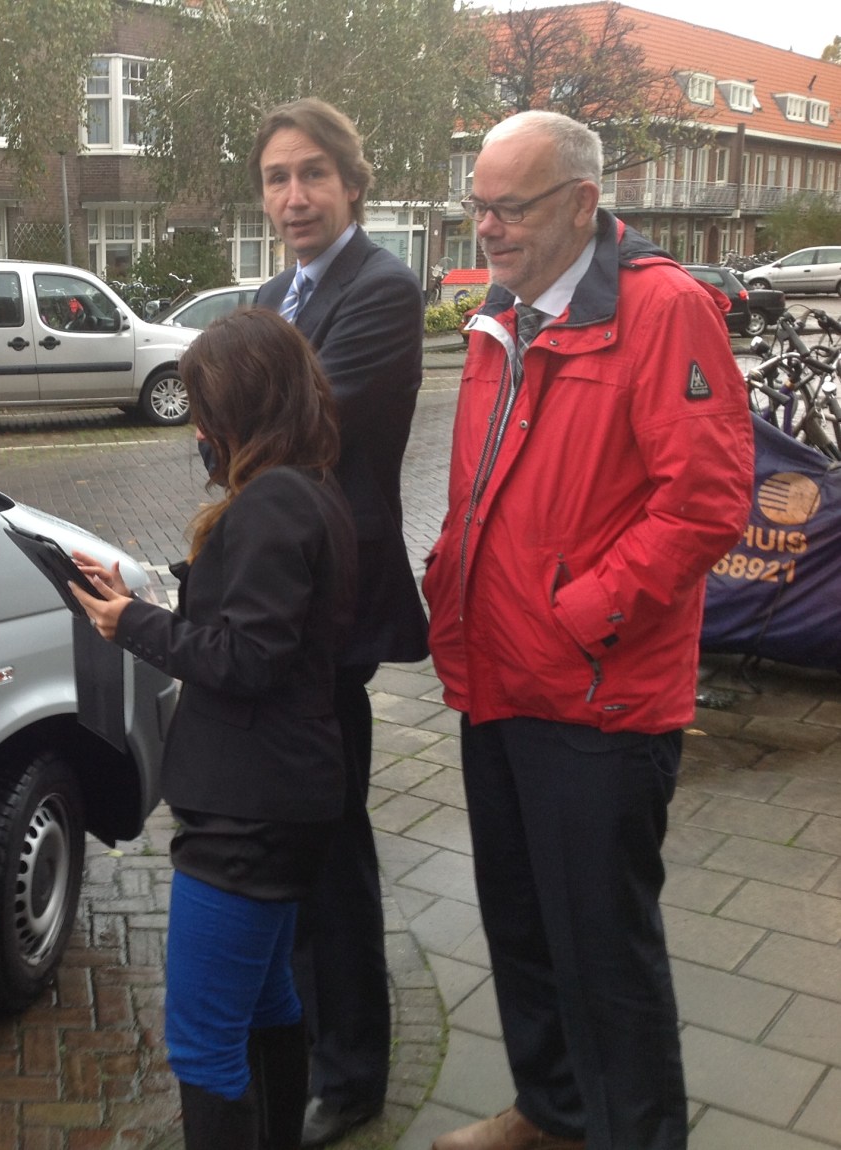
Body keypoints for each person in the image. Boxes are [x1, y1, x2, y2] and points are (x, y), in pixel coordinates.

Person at [422, 110, 753, 1150]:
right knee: (520, 928)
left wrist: (585, 612)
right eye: (477, 204)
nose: (486, 226)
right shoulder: (501, 315)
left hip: (598, 698)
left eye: (508, 206)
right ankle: (552, 1111)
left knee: (606, 955)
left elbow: (704, 500)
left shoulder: (662, 310)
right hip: (497, 678)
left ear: (579, 202)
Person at [71, 307, 357, 1150]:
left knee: (201, 1040)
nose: (198, 427)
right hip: (284, 800)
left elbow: (250, 657)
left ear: (242, 410)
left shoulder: (270, 504)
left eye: (207, 409)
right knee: (269, 1002)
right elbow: (262, 623)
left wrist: (134, 628)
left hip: (247, 813)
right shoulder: (312, 492)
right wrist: (139, 588)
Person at [248, 97, 429, 1148]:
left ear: (351, 184)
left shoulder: (384, 288)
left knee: (330, 837)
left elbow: (300, 425)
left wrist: (243, 416)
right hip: (277, 599)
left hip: (335, 608)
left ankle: (351, 1071)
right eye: (276, 177)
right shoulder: (275, 292)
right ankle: (310, 1030)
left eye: (312, 173)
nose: (294, 195)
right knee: (299, 828)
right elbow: (232, 424)